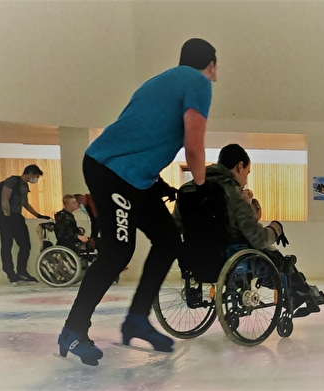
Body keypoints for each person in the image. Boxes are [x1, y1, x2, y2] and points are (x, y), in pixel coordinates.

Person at [58, 37, 218, 366]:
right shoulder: (198, 81)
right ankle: (73, 330)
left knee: (168, 239)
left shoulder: (159, 82)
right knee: (118, 251)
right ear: (212, 65)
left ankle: (137, 319)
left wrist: (160, 185)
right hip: (114, 171)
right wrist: (201, 185)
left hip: (134, 176)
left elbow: (140, 132)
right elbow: (193, 143)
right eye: (215, 69)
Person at [174, 144, 324, 314]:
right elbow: (258, 238)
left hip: (194, 261)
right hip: (228, 258)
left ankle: (304, 290)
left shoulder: (188, 189)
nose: (246, 180)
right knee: (278, 259)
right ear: (240, 166)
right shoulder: (231, 191)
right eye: (247, 173)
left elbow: (176, 226)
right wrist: (276, 229)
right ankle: (302, 292)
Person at [0, 164, 51, 283]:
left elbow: (25, 203)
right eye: (36, 176)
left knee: (25, 245)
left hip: (17, 217)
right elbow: (4, 197)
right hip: (5, 217)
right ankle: (10, 272)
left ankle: (21, 271)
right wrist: (6, 215)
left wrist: (38, 215)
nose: (36, 179)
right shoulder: (12, 180)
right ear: (31, 173)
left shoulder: (24, 185)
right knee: (7, 245)